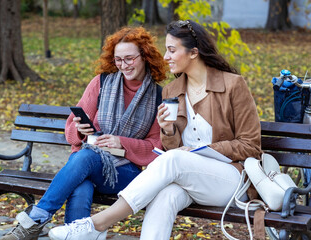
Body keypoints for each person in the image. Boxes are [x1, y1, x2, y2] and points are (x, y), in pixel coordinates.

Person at [47, 20, 263, 240]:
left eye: (172, 50)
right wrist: (168, 131)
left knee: (175, 159)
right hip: (187, 179)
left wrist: (203, 150)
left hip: (230, 180)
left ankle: (97, 224)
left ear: (193, 53)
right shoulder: (172, 91)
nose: (166, 56)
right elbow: (170, 148)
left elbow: (250, 145)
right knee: (164, 197)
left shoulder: (233, 85)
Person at [0, 26, 167, 240]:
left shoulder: (157, 96)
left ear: (145, 56)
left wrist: (120, 142)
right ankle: (70, 233)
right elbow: (71, 128)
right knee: (82, 185)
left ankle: (34, 221)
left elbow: (155, 145)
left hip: (126, 173)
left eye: (129, 59)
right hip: (86, 166)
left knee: (85, 156)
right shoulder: (102, 83)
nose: (124, 65)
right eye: (118, 60)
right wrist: (80, 130)